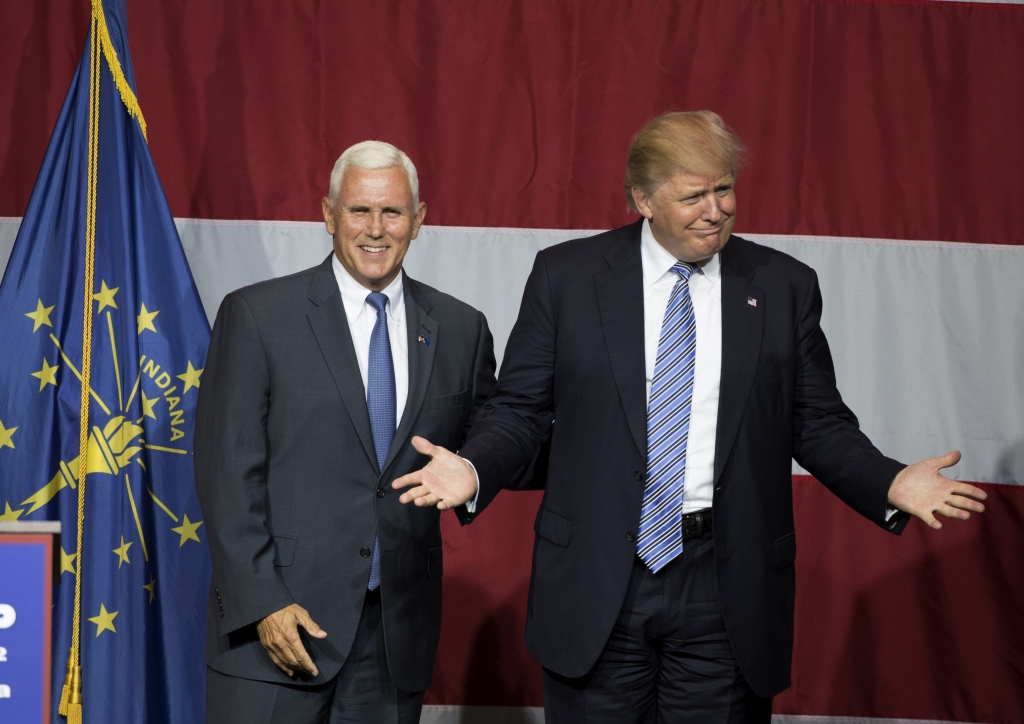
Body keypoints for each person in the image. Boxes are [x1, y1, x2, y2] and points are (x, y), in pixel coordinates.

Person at [391, 112, 989, 723]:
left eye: (724, 188)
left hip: (725, 582)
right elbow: (519, 410)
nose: (715, 210)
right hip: (599, 576)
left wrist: (887, 480)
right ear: (643, 200)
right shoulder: (566, 277)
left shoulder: (782, 285)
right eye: (693, 195)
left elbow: (815, 421)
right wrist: (474, 466)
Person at [195, 140, 497, 723]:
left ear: (419, 219)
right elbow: (225, 472)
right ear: (329, 215)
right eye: (360, 210)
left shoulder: (461, 328)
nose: (376, 228)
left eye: (393, 212)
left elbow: (494, 443)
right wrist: (263, 603)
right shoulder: (257, 316)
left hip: (393, 641)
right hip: (273, 632)